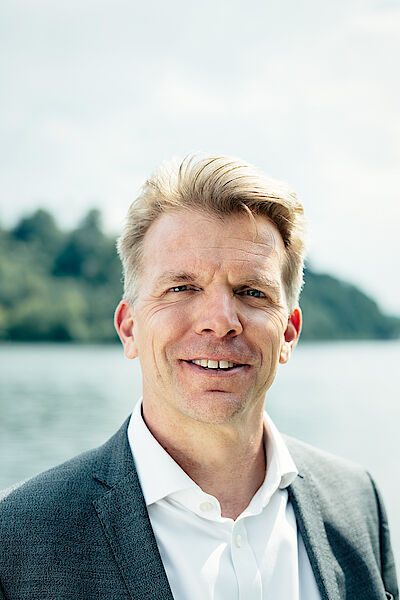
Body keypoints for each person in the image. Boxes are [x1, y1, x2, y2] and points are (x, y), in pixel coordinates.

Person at [0, 154, 397, 600]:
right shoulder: (16, 537)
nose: (220, 321)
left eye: (251, 291)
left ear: (288, 332)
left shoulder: (358, 502)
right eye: (182, 288)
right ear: (129, 328)